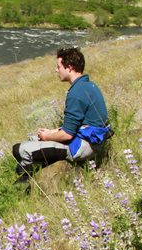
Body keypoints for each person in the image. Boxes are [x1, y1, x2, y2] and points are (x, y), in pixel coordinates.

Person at [12, 46, 110, 183]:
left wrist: (47, 136)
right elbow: (78, 125)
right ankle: (33, 177)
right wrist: (52, 132)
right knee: (33, 139)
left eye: (58, 66)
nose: (56, 70)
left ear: (69, 67)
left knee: (20, 150)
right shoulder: (88, 85)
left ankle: (27, 183)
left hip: (82, 146)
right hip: (91, 141)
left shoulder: (77, 93)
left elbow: (67, 134)